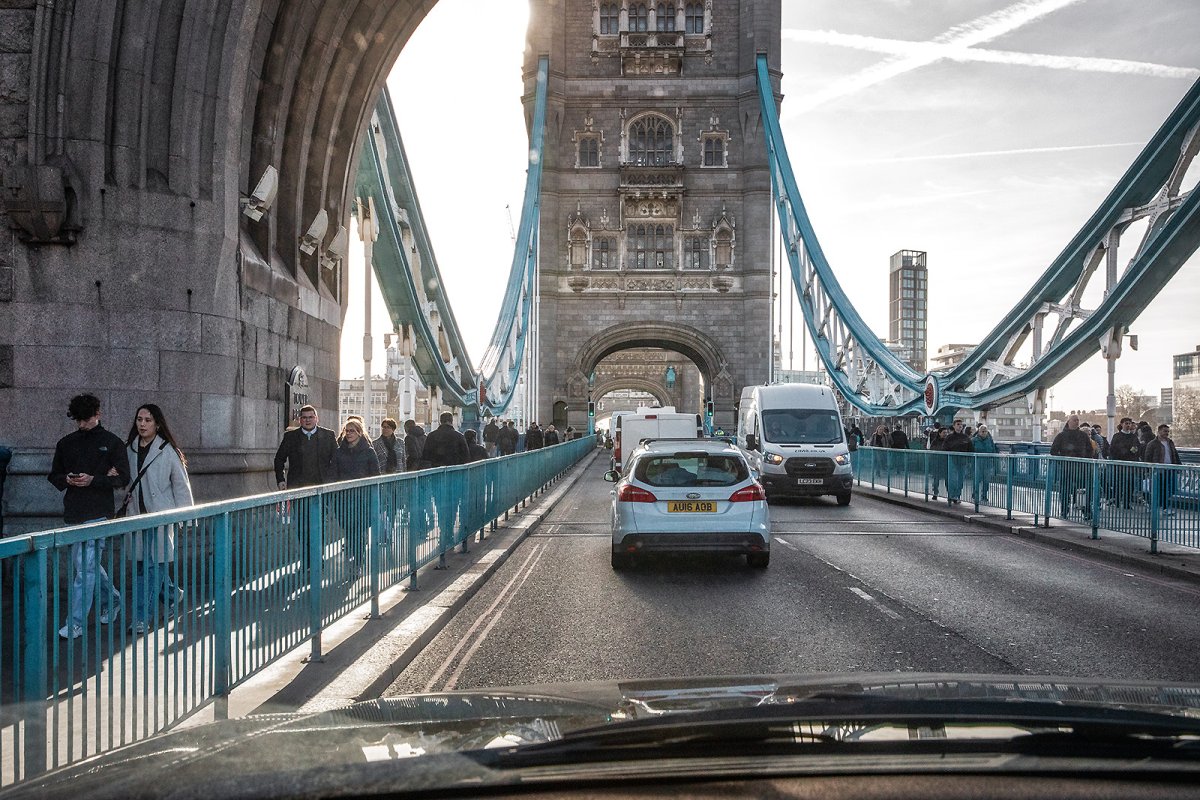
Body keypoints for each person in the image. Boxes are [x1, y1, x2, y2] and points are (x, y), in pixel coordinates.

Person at [47, 394, 131, 639]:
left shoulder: (113, 443)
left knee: (85, 568)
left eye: (86, 419)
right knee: (88, 567)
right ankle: (112, 599)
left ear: (98, 414)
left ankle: (76, 622)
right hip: (75, 511)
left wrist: (95, 480)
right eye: (78, 420)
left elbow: (124, 478)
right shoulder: (66, 443)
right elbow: (54, 475)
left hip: (99, 512)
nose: (82, 424)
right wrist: (68, 479)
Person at [124, 404, 194, 635]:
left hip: (161, 517)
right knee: (144, 566)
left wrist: (186, 517)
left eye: (148, 420)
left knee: (152, 569)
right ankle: (174, 595)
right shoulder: (129, 449)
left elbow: (181, 486)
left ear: (157, 424)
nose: (142, 424)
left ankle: (142, 618)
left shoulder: (167, 450)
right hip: (137, 518)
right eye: (139, 419)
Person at [273, 405, 336, 490]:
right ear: (300, 420)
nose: (308, 420)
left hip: (323, 485)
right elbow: (279, 459)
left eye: (311, 417)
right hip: (297, 486)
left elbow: (337, 459)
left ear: (317, 419)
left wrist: (334, 480)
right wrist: (281, 480)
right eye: (304, 417)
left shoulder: (328, 435)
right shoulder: (290, 437)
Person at [1050, 414, 1095, 519]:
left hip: (1083, 468)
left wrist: (1086, 459)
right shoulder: (1061, 436)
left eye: (1078, 420)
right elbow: (1053, 451)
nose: (1077, 422)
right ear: (1068, 422)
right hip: (1067, 468)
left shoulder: (1083, 435)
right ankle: (1064, 510)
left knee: (1086, 490)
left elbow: (1090, 450)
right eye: (1074, 420)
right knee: (1065, 490)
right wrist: (1063, 461)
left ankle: (1087, 510)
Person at [1143, 424, 1182, 515]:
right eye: (1165, 431)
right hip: (1157, 470)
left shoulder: (1170, 442)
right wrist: (1148, 469)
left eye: (1168, 431)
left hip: (1169, 469)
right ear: (1159, 431)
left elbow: (1175, 454)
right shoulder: (1152, 444)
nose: (1167, 433)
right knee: (1157, 489)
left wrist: (1179, 466)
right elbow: (1148, 457)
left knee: (1167, 489)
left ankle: (1164, 507)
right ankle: (1154, 506)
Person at [1108, 417, 1144, 508]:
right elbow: (1112, 449)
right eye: (1126, 423)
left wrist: (1135, 450)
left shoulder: (1133, 436)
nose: (1128, 425)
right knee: (1118, 483)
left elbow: (1138, 448)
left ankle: (1127, 503)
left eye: (1129, 423)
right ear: (1121, 424)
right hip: (1119, 463)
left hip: (1131, 464)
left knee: (1130, 483)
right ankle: (1117, 501)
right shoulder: (1117, 436)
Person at [942, 419, 974, 504]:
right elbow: (944, 449)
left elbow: (971, 449)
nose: (960, 426)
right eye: (958, 424)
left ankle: (957, 496)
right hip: (952, 460)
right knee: (952, 479)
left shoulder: (966, 437)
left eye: (961, 424)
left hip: (963, 461)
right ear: (954, 426)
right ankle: (951, 495)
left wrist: (970, 460)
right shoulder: (949, 437)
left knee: (960, 480)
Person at [971, 423, 999, 504]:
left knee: (986, 480)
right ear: (978, 432)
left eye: (985, 431)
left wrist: (994, 460)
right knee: (977, 480)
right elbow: (970, 451)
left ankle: (984, 496)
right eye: (982, 431)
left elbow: (993, 450)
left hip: (987, 462)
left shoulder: (990, 440)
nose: (983, 433)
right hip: (977, 463)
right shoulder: (974, 440)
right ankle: (975, 494)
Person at [927, 427, 947, 500]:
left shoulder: (947, 441)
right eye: (944, 432)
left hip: (945, 463)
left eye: (946, 432)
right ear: (939, 433)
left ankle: (950, 495)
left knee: (947, 479)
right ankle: (935, 493)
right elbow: (932, 450)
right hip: (937, 462)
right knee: (936, 479)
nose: (945, 434)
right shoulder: (935, 441)